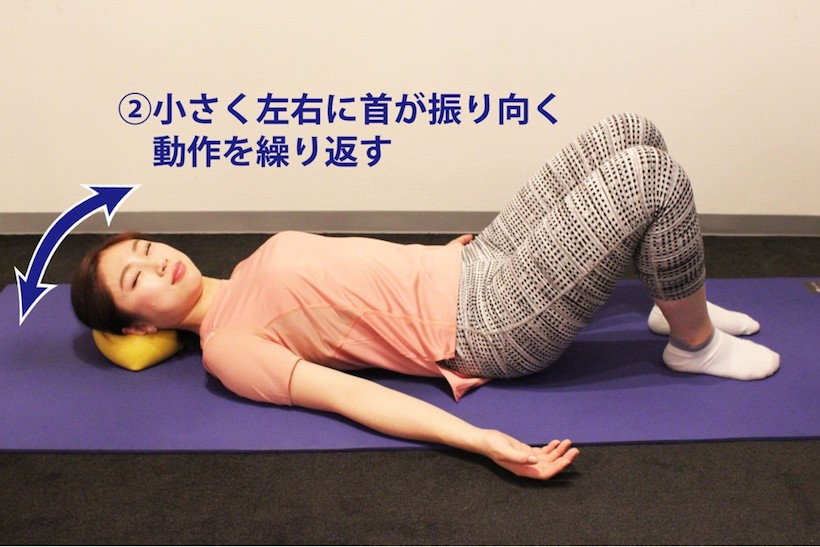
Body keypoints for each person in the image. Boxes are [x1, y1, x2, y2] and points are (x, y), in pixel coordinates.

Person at [71, 113, 779, 480]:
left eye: (145, 249)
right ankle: (693, 342)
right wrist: (481, 442)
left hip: (474, 261)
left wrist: (439, 254)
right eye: (136, 279)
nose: (156, 262)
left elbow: (356, 278)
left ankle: (671, 296)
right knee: (649, 180)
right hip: (487, 322)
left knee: (629, 133)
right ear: (136, 328)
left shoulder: (246, 265)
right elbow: (349, 396)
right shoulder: (227, 348)